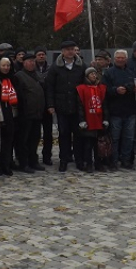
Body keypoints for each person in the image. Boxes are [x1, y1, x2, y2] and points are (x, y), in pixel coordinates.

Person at [45, 40, 86, 172]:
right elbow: (49, 87)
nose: (70, 52)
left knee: (78, 135)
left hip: (77, 107)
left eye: (72, 49)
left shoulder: (81, 66)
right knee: (63, 135)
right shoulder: (55, 68)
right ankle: (63, 160)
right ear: (62, 52)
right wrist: (50, 104)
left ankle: (79, 160)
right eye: (67, 49)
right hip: (61, 107)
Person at [103, 49, 136, 170]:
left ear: (126, 59)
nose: (120, 60)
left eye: (123, 58)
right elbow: (104, 90)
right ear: (114, 59)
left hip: (130, 110)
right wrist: (115, 90)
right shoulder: (108, 73)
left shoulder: (131, 72)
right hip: (115, 111)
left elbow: (134, 86)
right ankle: (113, 161)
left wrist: (135, 89)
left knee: (129, 138)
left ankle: (126, 160)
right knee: (115, 138)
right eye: (118, 57)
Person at [13, 54, 47, 172]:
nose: (31, 63)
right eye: (29, 61)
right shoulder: (19, 76)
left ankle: (34, 161)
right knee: (24, 141)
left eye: (33, 61)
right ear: (24, 63)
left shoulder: (37, 75)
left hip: (37, 114)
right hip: (25, 114)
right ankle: (24, 163)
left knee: (35, 139)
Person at [0, 56, 19, 175]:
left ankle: (6, 165)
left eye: (8, 65)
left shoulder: (13, 78)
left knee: (8, 142)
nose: (6, 68)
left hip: (11, 113)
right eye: (3, 65)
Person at [77, 67, 109, 172]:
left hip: (99, 119)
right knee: (88, 144)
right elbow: (80, 106)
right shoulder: (81, 89)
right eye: (91, 74)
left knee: (98, 144)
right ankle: (88, 164)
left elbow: (105, 105)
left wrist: (106, 118)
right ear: (87, 76)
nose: (94, 76)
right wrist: (82, 120)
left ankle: (98, 163)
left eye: (95, 74)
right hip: (88, 120)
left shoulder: (101, 88)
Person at [34, 47, 53, 165]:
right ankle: (33, 155)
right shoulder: (31, 69)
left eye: (43, 54)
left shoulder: (51, 69)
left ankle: (47, 156)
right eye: (39, 54)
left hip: (47, 105)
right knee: (35, 133)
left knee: (48, 133)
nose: (41, 56)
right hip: (35, 106)